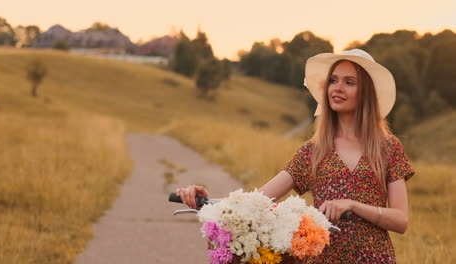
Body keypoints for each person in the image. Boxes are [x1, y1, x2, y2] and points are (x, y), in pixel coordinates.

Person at [175, 49, 414, 263]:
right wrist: (206, 201)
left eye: (349, 82)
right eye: (333, 80)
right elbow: (256, 202)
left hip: (375, 258)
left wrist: (353, 205)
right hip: (324, 258)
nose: (338, 88)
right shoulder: (313, 151)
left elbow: (400, 220)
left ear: (366, 93)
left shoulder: (387, 147)